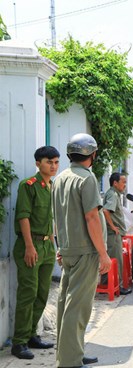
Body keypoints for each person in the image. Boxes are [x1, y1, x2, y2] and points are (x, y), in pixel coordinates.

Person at [52, 133, 112, 368]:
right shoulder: (86, 179)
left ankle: (71, 352)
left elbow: (57, 216)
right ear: (92, 155)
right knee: (77, 306)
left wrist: (60, 246)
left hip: (68, 249)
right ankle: (70, 361)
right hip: (86, 251)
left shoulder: (60, 178)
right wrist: (104, 253)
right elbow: (91, 217)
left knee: (66, 304)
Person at [11, 146, 60, 360]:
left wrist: (56, 245)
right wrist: (30, 246)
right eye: (49, 161)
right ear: (38, 163)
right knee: (28, 294)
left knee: (42, 294)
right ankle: (19, 342)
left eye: (56, 162)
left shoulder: (53, 187)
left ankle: (32, 335)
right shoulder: (28, 186)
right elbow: (23, 217)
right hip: (30, 246)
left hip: (48, 246)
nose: (54, 166)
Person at [103, 172, 132, 295]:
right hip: (113, 235)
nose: (125, 185)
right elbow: (105, 211)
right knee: (116, 261)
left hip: (112, 234)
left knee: (110, 260)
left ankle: (106, 285)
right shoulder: (113, 195)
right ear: (115, 183)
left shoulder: (113, 194)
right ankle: (117, 287)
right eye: (123, 182)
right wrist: (113, 226)